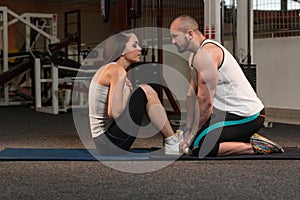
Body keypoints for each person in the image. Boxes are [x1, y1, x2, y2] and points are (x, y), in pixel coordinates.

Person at [170, 15, 284, 157]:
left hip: (247, 115)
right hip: (227, 115)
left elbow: (205, 103)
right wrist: (187, 130)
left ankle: (254, 146)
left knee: (200, 145)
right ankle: (243, 138)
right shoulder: (193, 57)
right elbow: (191, 96)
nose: (173, 41)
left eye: (175, 36)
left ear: (190, 34)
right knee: (194, 139)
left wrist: (191, 135)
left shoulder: (208, 54)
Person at [89, 31, 182, 155]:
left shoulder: (114, 69)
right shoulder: (116, 70)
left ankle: (171, 139)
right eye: (134, 45)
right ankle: (172, 141)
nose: (140, 49)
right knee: (145, 90)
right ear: (122, 51)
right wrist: (130, 93)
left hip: (106, 142)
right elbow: (114, 113)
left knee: (144, 90)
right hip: (110, 142)